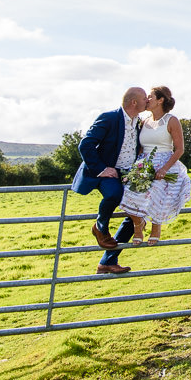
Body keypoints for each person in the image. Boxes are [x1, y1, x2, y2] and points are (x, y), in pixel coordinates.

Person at [70, 86, 146, 274]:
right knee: (114, 193)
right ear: (134, 102)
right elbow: (85, 144)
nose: (148, 100)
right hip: (107, 172)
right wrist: (102, 169)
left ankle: (108, 261)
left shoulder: (139, 122)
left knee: (137, 213)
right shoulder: (109, 117)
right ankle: (100, 227)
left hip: (128, 173)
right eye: (145, 98)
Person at [120, 85, 191, 245]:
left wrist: (165, 168)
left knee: (157, 188)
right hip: (143, 163)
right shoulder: (143, 121)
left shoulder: (171, 120)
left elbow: (179, 149)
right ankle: (138, 224)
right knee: (125, 192)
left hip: (165, 162)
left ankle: (156, 227)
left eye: (151, 97)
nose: (147, 99)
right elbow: (139, 147)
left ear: (160, 100)